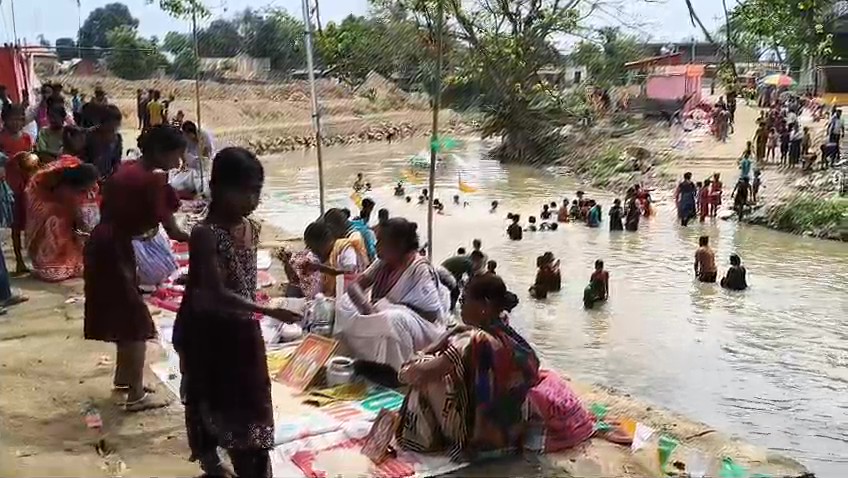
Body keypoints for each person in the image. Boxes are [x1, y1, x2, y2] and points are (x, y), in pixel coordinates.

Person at [173, 147, 299, 478]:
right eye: (245, 191)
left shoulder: (251, 228)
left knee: (253, 402)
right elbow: (215, 294)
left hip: (242, 328)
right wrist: (266, 308)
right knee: (210, 395)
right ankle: (213, 461)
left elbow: (241, 282)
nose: (252, 199)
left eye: (257, 191)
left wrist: (258, 308)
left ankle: (254, 466)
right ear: (218, 188)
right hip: (208, 332)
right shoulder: (205, 234)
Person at [83, 126, 190, 412]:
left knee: (123, 316)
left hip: (105, 243)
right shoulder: (150, 180)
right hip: (116, 249)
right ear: (159, 152)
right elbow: (174, 230)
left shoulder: (127, 169)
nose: (179, 161)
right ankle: (136, 395)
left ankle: (124, 379)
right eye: (177, 154)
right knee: (136, 324)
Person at [396, 274, 539, 460]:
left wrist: (436, 345)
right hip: (511, 433)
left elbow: (418, 373)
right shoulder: (510, 336)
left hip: (478, 437)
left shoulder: (473, 339)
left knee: (423, 375)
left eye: (464, 300)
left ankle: (423, 440)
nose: (461, 306)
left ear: (484, 306)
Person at [335, 218, 449, 370]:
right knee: (344, 304)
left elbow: (431, 315)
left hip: (424, 329)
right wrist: (367, 307)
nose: (376, 246)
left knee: (392, 318)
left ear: (399, 245)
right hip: (383, 313)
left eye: (381, 241)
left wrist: (391, 307)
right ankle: (363, 358)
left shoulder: (419, 268)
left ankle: (397, 371)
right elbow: (354, 287)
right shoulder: (383, 262)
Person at [25, 156, 99, 282]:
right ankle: (51, 261)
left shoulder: (80, 174)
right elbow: (78, 220)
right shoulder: (65, 191)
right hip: (49, 213)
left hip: (62, 208)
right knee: (56, 225)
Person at [82, 104, 123, 178]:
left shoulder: (117, 138)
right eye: (111, 124)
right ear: (103, 122)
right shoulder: (89, 135)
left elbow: (117, 161)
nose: (114, 127)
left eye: (117, 124)